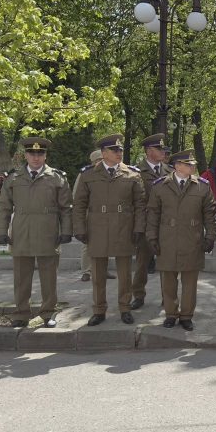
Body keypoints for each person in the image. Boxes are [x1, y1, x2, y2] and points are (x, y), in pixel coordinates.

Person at [0, 137, 72, 328]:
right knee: (21, 276)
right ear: (25, 155)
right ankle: (21, 313)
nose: (36, 157)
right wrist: (1, 230)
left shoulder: (57, 177)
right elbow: (4, 207)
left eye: (40, 153)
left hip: (48, 231)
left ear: (45, 155)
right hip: (21, 231)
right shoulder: (14, 178)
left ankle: (48, 313)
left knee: (49, 276)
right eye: (32, 153)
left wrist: (67, 230)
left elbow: (66, 208)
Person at [73, 134, 147, 326]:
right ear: (104, 153)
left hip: (124, 226)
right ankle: (99, 310)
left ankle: (125, 308)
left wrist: (139, 228)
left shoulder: (132, 174)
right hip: (97, 227)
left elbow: (140, 204)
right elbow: (79, 204)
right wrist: (79, 228)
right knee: (98, 274)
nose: (119, 153)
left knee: (125, 273)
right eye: (114, 150)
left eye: (120, 150)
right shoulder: (88, 174)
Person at [147, 149, 216, 331]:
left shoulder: (202, 186)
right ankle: (170, 314)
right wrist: (152, 237)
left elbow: (209, 214)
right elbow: (153, 214)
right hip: (167, 239)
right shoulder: (160, 186)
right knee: (168, 280)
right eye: (188, 164)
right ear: (177, 166)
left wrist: (210, 236)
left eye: (193, 164)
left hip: (192, 238)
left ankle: (186, 316)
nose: (192, 166)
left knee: (190, 281)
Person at [131, 133, 172, 310]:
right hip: (146, 224)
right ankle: (138, 295)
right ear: (148, 151)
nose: (163, 152)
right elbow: (135, 202)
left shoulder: (169, 171)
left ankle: (167, 297)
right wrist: (137, 226)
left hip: (165, 224)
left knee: (166, 262)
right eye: (159, 148)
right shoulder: (136, 172)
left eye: (163, 148)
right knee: (142, 262)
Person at [74, 150, 113, 282]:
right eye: (98, 160)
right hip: (90, 214)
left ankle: (104, 269)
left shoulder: (109, 173)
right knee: (88, 244)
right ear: (93, 162)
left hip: (106, 214)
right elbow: (77, 196)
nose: (101, 162)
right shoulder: (85, 174)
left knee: (106, 242)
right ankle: (87, 271)